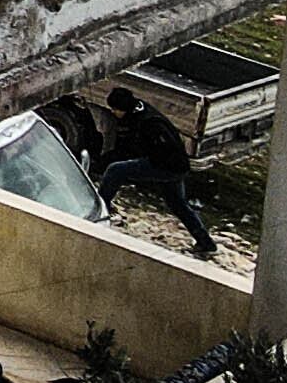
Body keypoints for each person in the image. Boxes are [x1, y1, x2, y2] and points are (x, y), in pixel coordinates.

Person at [92, 87, 215, 259]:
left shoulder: (148, 123)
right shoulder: (140, 110)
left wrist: (140, 166)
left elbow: (157, 150)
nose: (113, 113)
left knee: (115, 170)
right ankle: (206, 243)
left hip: (167, 165)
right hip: (176, 165)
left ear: (122, 108)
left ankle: (98, 210)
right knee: (178, 204)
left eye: (114, 110)